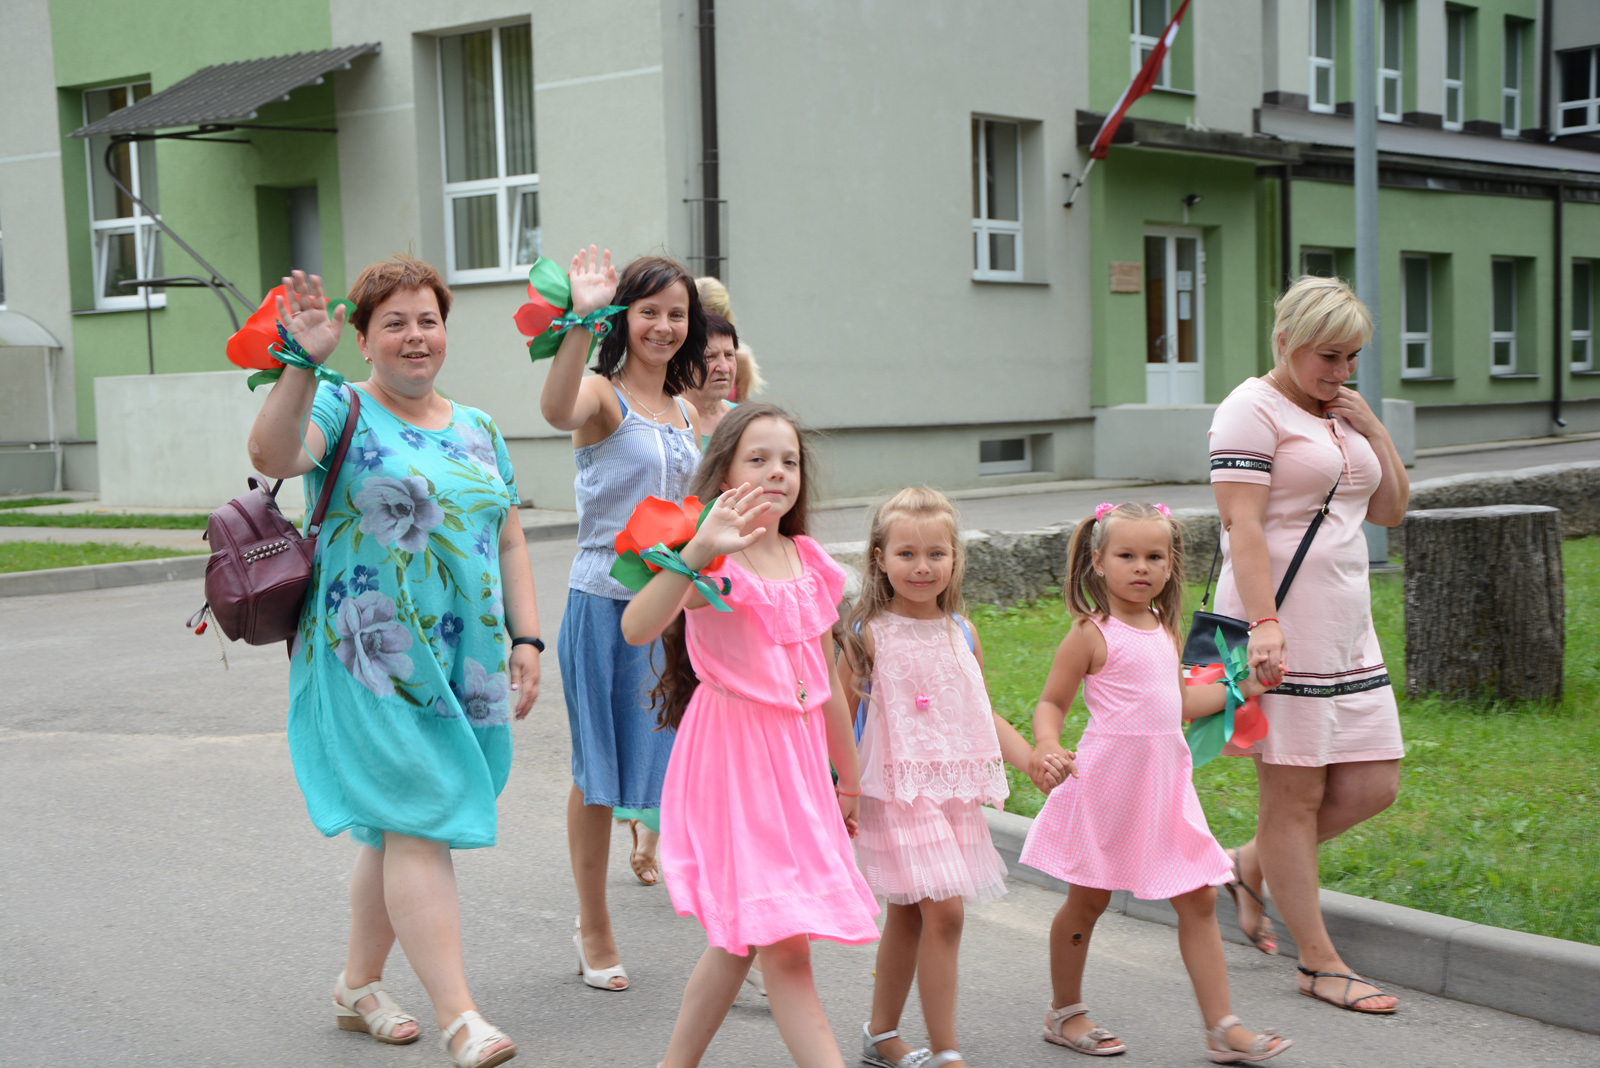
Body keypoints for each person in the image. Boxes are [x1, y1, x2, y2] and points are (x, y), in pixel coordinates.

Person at [248, 259, 537, 1068]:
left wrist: (527, 639)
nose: (416, 337)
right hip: (368, 652)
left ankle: (357, 987)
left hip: (463, 657)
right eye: (395, 323)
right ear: (365, 339)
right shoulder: (338, 405)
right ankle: (460, 1017)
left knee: (393, 826)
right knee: (419, 819)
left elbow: (510, 536)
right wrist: (301, 363)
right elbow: (273, 453)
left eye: (428, 321)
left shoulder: (479, 426)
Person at [620, 404, 878, 1068]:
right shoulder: (711, 558)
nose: (777, 472)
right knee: (785, 946)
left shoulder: (808, 560)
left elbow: (824, 683)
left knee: (741, 937)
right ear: (725, 473)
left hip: (795, 765)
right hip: (734, 759)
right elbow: (638, 627)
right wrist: (696, 554)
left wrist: (848, 778)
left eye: (789, 461)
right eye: (758, 459)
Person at [1023, 503, 1291, 1064]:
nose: (1141, 567)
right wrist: (1047, 744)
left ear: (1170, 566)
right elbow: (1051, 703)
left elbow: (1183, 702)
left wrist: (1246, 688)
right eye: (1126, 555)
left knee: (1198, 897)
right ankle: (1064, 1012)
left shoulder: (1165, 630)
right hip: (1106, 788)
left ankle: (1222, 1027)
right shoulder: (1090, 634)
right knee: (1088, 902)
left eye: (1154, 556)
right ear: (1099, 561)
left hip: (1165, 788)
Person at [1207, 274, 1409, 1014]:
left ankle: (1248, 863)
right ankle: (1318, 964)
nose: (1341, 370)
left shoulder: (1340, 411)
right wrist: (1264, 624)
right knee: (1293, 796)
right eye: (1329, 355)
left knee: (1374, 783)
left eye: (1352, 357)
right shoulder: (1249, 409)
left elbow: (1389, 510)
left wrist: (1374, 429)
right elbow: (1243, 526)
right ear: (1285, 340)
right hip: (1281, 625)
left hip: (1347, 629)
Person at [842, 487, 1067, 1068]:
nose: (922, 567)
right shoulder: (868, 632)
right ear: (879, 559)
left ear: (955, 558)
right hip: (895, 792)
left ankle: (880, 1035)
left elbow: (981, 712)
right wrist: (838, 788)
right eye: (907, 554)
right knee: (944, 910)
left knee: (910, 912)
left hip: (950, 793)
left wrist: (1031, 759)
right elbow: (836, 719)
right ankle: (947, 1051)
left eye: (936, 553)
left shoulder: (961, 632)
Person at [539, 246, 706, 990]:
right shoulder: (601, 395)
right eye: (649, 312)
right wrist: (581, 321)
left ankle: (740, 930)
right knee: (597, 775)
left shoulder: (687, 409)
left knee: (693, 766)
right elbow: (553, 411)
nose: (664, 326)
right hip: (603, 606)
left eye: (677, 314)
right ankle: (594, 925)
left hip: (673, 612)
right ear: (623, 317)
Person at [695, 276, 766, 401]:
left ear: (723, 316)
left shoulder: (739, 359)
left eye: (714, 318)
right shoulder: (671, 356)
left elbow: (741, 408)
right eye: (699, 319)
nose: (707, 326)